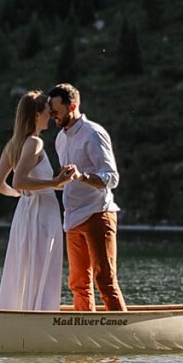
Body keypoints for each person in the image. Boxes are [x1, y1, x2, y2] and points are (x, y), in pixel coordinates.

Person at [0, 89, 73, 311]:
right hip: (42, 213)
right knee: (41, 265)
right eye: (48, 111)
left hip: (25, 212)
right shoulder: (35, 143)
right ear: (36, 115)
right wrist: (54, 183)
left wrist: (22, 196)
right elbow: (19, 181)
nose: (52, 114)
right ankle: (39, 313)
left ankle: (18, 310)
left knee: (24, 264)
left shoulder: (13, 144)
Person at [47, 82, 125, 311]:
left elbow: (112, 177)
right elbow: (67, 181)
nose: (51, 116)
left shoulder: (93, 133)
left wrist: (81, 176)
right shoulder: (60, 139)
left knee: (105, 281)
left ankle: (121, 334)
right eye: (50, 111)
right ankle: (85, 333)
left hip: (97, 214)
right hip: (72, 219)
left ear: (72, 106)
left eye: (55, 111)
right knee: (78, 284)